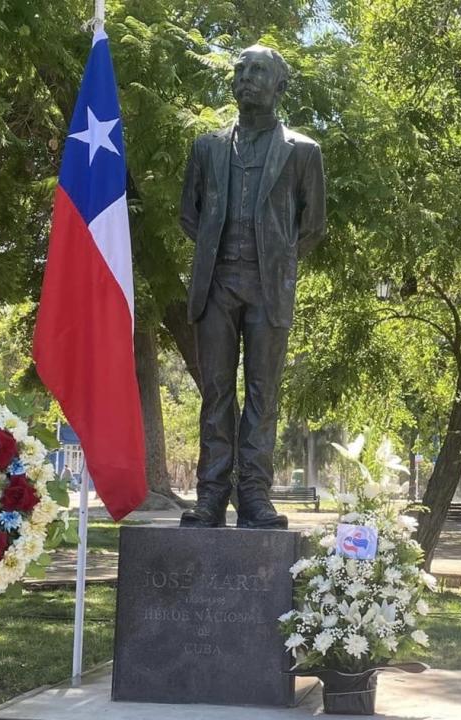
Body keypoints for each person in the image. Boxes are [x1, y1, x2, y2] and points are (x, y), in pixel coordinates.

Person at [177, 45, 327, 529]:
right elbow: (189, 215)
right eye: (240, 70)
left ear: (280, 86)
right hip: (216, 284)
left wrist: (275, 258)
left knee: (264, 394)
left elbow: (313, 224)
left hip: (269, 287)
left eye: (258, 71)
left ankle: (256, 497)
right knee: (216, 393)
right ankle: (211, 497)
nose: (246, 78)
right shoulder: (207, 148)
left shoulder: (304, 152)